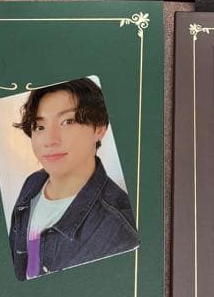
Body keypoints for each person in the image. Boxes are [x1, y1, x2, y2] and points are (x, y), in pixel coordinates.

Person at [8, 78, 139, 280]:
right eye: (39, 126)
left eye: (67, 122)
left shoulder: (118, 230)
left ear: (99, 128)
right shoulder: (33, 183)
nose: (50, 140)